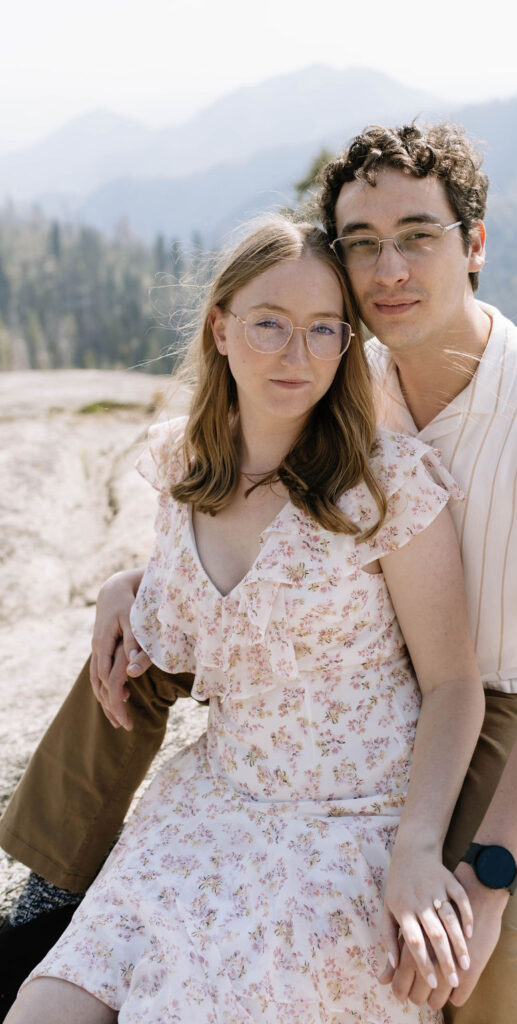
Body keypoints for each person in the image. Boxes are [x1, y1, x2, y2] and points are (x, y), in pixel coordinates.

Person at [1, 123, 517, 1022]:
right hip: (333, 659)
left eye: (418, 236)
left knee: (474, 967)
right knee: (130, 651)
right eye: (363, 245)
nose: (389, 270)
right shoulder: (346, 364)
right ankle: (53, 883)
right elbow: (244, 508)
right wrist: (134, 585)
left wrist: (483, 878)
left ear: (474, 245)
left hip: (490, 692)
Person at [6, 215, 484, 1023]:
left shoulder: (385, 487)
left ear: (346, 345)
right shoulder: (178, 466)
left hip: (348, 829)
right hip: (213, 805)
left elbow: (454, 684)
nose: (295, 355)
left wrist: (416, 847)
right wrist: (129, 584)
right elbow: (202, 596)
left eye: (322, 330)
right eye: (269, 323)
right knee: (43, 1009)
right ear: (220, 328)